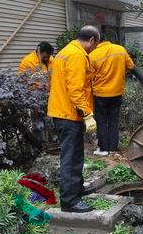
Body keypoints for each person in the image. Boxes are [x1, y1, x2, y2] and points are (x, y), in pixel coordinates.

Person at [47, 26, 99, 213]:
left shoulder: (65, 51)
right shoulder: (77, 55)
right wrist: (87, 113)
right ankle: (69, 201)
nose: (93, 49)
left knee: (77, 154)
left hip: (63, 111)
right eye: (94, 45)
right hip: (69, 114)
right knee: (70, 157)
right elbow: (76, 89)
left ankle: (77, 189)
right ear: (92, 40)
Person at [89, 36, 134, 156]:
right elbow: (130, 66)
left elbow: (89, 76)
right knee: (114, 120)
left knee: (101, 121)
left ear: (97, 42)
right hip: (117, 93)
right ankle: (113, 147)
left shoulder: (93, 55)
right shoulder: (120, 49)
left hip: (100, 94)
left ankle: (103, 149)